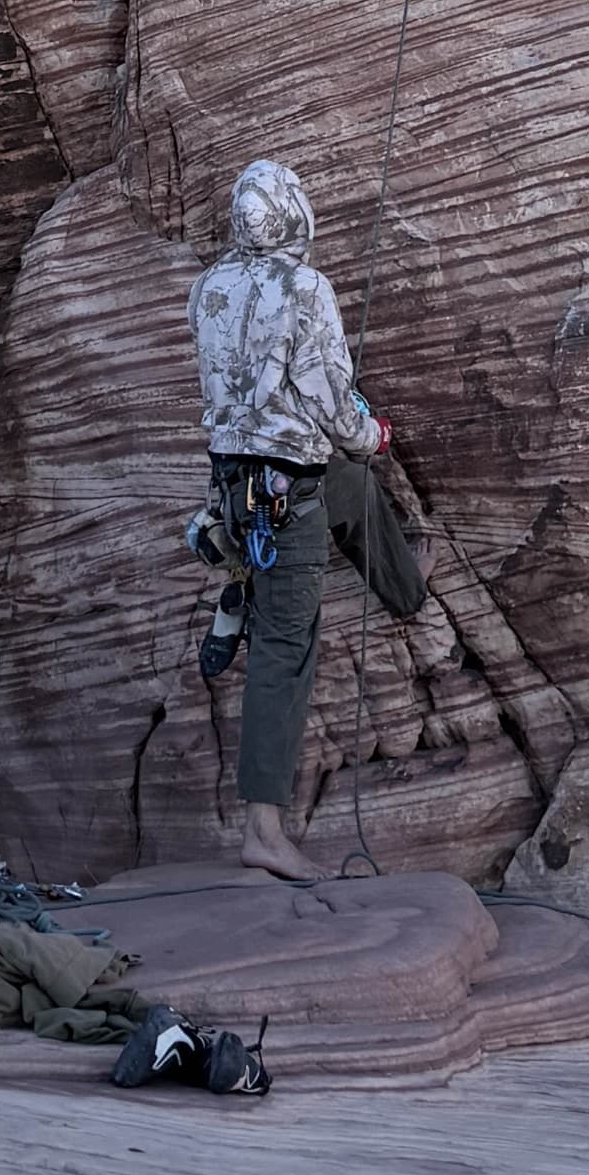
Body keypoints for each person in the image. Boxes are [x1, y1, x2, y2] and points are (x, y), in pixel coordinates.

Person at [186, 156, 390, 880]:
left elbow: (222, 386)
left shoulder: (207, 286)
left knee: (354, 494)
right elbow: (334, 398)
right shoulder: (306, 288)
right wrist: (372, 437)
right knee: (283, 653)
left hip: (233, 489)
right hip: (288, 494)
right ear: (295, 213)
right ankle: (263, 833)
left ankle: (403, 586)